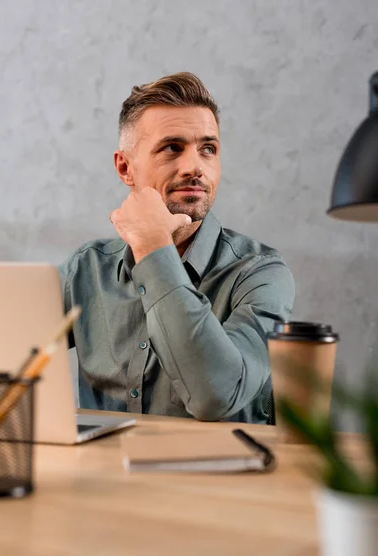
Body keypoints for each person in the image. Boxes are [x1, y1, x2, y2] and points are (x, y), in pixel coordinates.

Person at [58, 72, 295, 423]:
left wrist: (154, 249)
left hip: (220, 477)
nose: (194, 167)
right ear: (125, 167)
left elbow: (215, 397)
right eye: (172, 148)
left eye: (208, 149)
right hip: (103, 477)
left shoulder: (260, 273)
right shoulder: (85, 268)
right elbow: (1, 357)